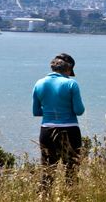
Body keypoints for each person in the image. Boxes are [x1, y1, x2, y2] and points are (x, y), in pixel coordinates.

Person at [33, 53, 85, 187]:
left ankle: (44, 198)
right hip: (70, 130)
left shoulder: (39, 83)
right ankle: (71, 198)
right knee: (71, 171)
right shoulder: (71, 84)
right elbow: (79, 110)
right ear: (68, 69)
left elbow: (36, 111)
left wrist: (50, 111)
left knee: (48, 172)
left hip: (47, 131)